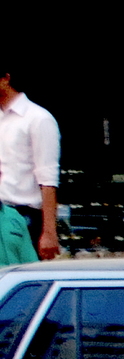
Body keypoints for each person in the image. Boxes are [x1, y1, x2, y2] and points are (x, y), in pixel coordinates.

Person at [0, 62, 60, 265]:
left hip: (24, 214)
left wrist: (49, 232)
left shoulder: (38, 118)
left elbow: (48, 178)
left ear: (5, 78)